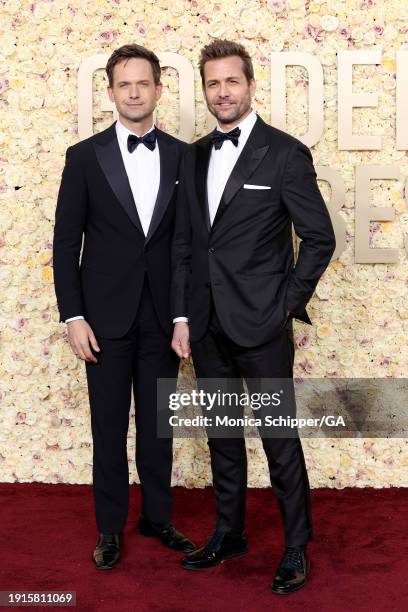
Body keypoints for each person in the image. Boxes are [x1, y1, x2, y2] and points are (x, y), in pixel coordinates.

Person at [171, 39, 336, 594]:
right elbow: (189, 246)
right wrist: (183, 318)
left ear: (250, 84)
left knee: (278, 440)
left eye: (231, 81)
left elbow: (319, 237)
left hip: (263, 327)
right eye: (213, 83)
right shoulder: (192, 157)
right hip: (207, 325)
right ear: (205, 89)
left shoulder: (285, 154)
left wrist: (287, 303)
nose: (222, 92)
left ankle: (294, 548)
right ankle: (229, 533)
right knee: (221, 436)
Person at [53, 44, 196, 570]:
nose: (134, 93)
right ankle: (110, 527)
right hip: (103, 321)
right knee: (108, 428)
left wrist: (184, 316)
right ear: (111, 92)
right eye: (123, 85)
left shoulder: (185, 156)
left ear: (159, 89)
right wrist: (73, 316)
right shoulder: (84, 157)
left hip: (163, 319)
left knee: (159, 427)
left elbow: (187, 245)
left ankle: (158, 517)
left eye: (143, 83)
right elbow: (66, 244)